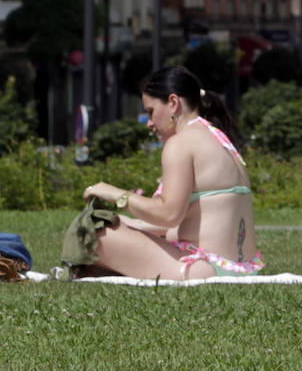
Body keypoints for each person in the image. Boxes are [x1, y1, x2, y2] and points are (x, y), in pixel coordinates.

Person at [79, 65, 262, 280]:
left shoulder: (181, 143)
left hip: (202, 267)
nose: (149, 123)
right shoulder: (219, 139)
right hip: (241, 266)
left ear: (173, 103)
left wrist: (116, 194)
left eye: (151, 112)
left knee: (93, 233)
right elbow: (183, 216)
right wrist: (130, 222)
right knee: (115, 228)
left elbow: (169, 214)